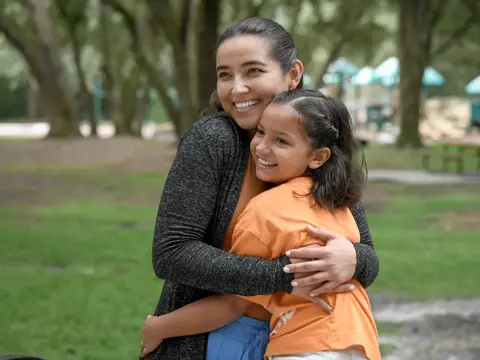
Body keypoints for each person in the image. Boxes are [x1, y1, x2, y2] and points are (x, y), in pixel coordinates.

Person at [143, 17, 379, 360]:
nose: (237, 88)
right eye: (225, 74)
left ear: (293, 74)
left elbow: (366, 254)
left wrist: (353, 259)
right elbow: (171, 253)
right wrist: (286, 275)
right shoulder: (212, 141)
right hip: (211, 338)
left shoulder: (318, 141)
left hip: (307, 342)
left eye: (252, 71)